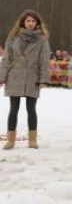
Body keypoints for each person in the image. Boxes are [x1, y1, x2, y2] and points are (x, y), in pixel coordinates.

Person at [0, 10, 51, 150]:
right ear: (23, 22)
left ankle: (32, 139)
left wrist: (43, 79)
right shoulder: (12, 38)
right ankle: (10, 140)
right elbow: (6, 59)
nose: (30, 23)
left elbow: (44, 61)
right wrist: (1, 77)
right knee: (13, 109)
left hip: (32, 78)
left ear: (37, 23)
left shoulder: (42, 40)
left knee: (31, 109)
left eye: (33, 21)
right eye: (28, 21)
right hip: (14, 77)